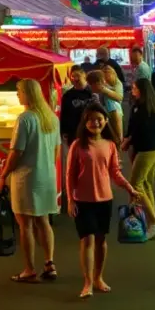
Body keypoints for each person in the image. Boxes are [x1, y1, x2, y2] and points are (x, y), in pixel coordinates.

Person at [66, 103, 140, 298]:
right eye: (91, 119)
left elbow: (115, 172)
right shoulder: (77, 145)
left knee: (101, 240)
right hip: (82, 200)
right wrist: (70, 200)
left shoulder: (110, 145)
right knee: (87, 239)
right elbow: (70, 175)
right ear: (85, 122)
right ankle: (88, 282)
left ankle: (98, 277)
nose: (95, 123)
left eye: (99, 119)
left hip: (105, 199)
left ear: (106, 121)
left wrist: (129, 188)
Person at [0, 79, 61, 283]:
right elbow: (56, 150)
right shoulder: (51, 117)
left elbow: (16, 152)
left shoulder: (25, 119)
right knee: (43, 220)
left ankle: (29, 269)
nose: (17, 95)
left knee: (25, 224)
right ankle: (49, 263)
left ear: (27, 93)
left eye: (19, 91)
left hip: (26, 177)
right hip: (47, 176)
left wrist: (3, 175)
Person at [122, 78, 155, 238]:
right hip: (153, 148)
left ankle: (153, 221)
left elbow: (138, 129)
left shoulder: (143, 108)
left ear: (142, 90)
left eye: (134, 88)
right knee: (146, 183)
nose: (132, 90)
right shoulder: (152, 106)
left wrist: (128, 140)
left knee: (136, 185)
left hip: (146, 149)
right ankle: (152, 219)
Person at [60, 66, 94, 209]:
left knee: (91, 162)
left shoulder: (92, 93)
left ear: (84, 75)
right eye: (72, 76)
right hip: (74, 134)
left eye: (77, 75)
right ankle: (76, 193)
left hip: (92, 134)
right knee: (76, 164)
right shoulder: (68, 96)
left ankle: (92, 191)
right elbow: (64, 115)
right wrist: (64, 132)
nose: (75, 79)